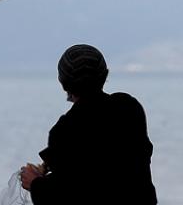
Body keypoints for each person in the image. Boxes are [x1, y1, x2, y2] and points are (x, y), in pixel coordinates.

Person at [18, 44, 157, 204]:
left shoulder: (65, 130)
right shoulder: (128, 108)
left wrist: (34, 183)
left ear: (63, 82)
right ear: (105, 75)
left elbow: (69, 195)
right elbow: (110, 163)